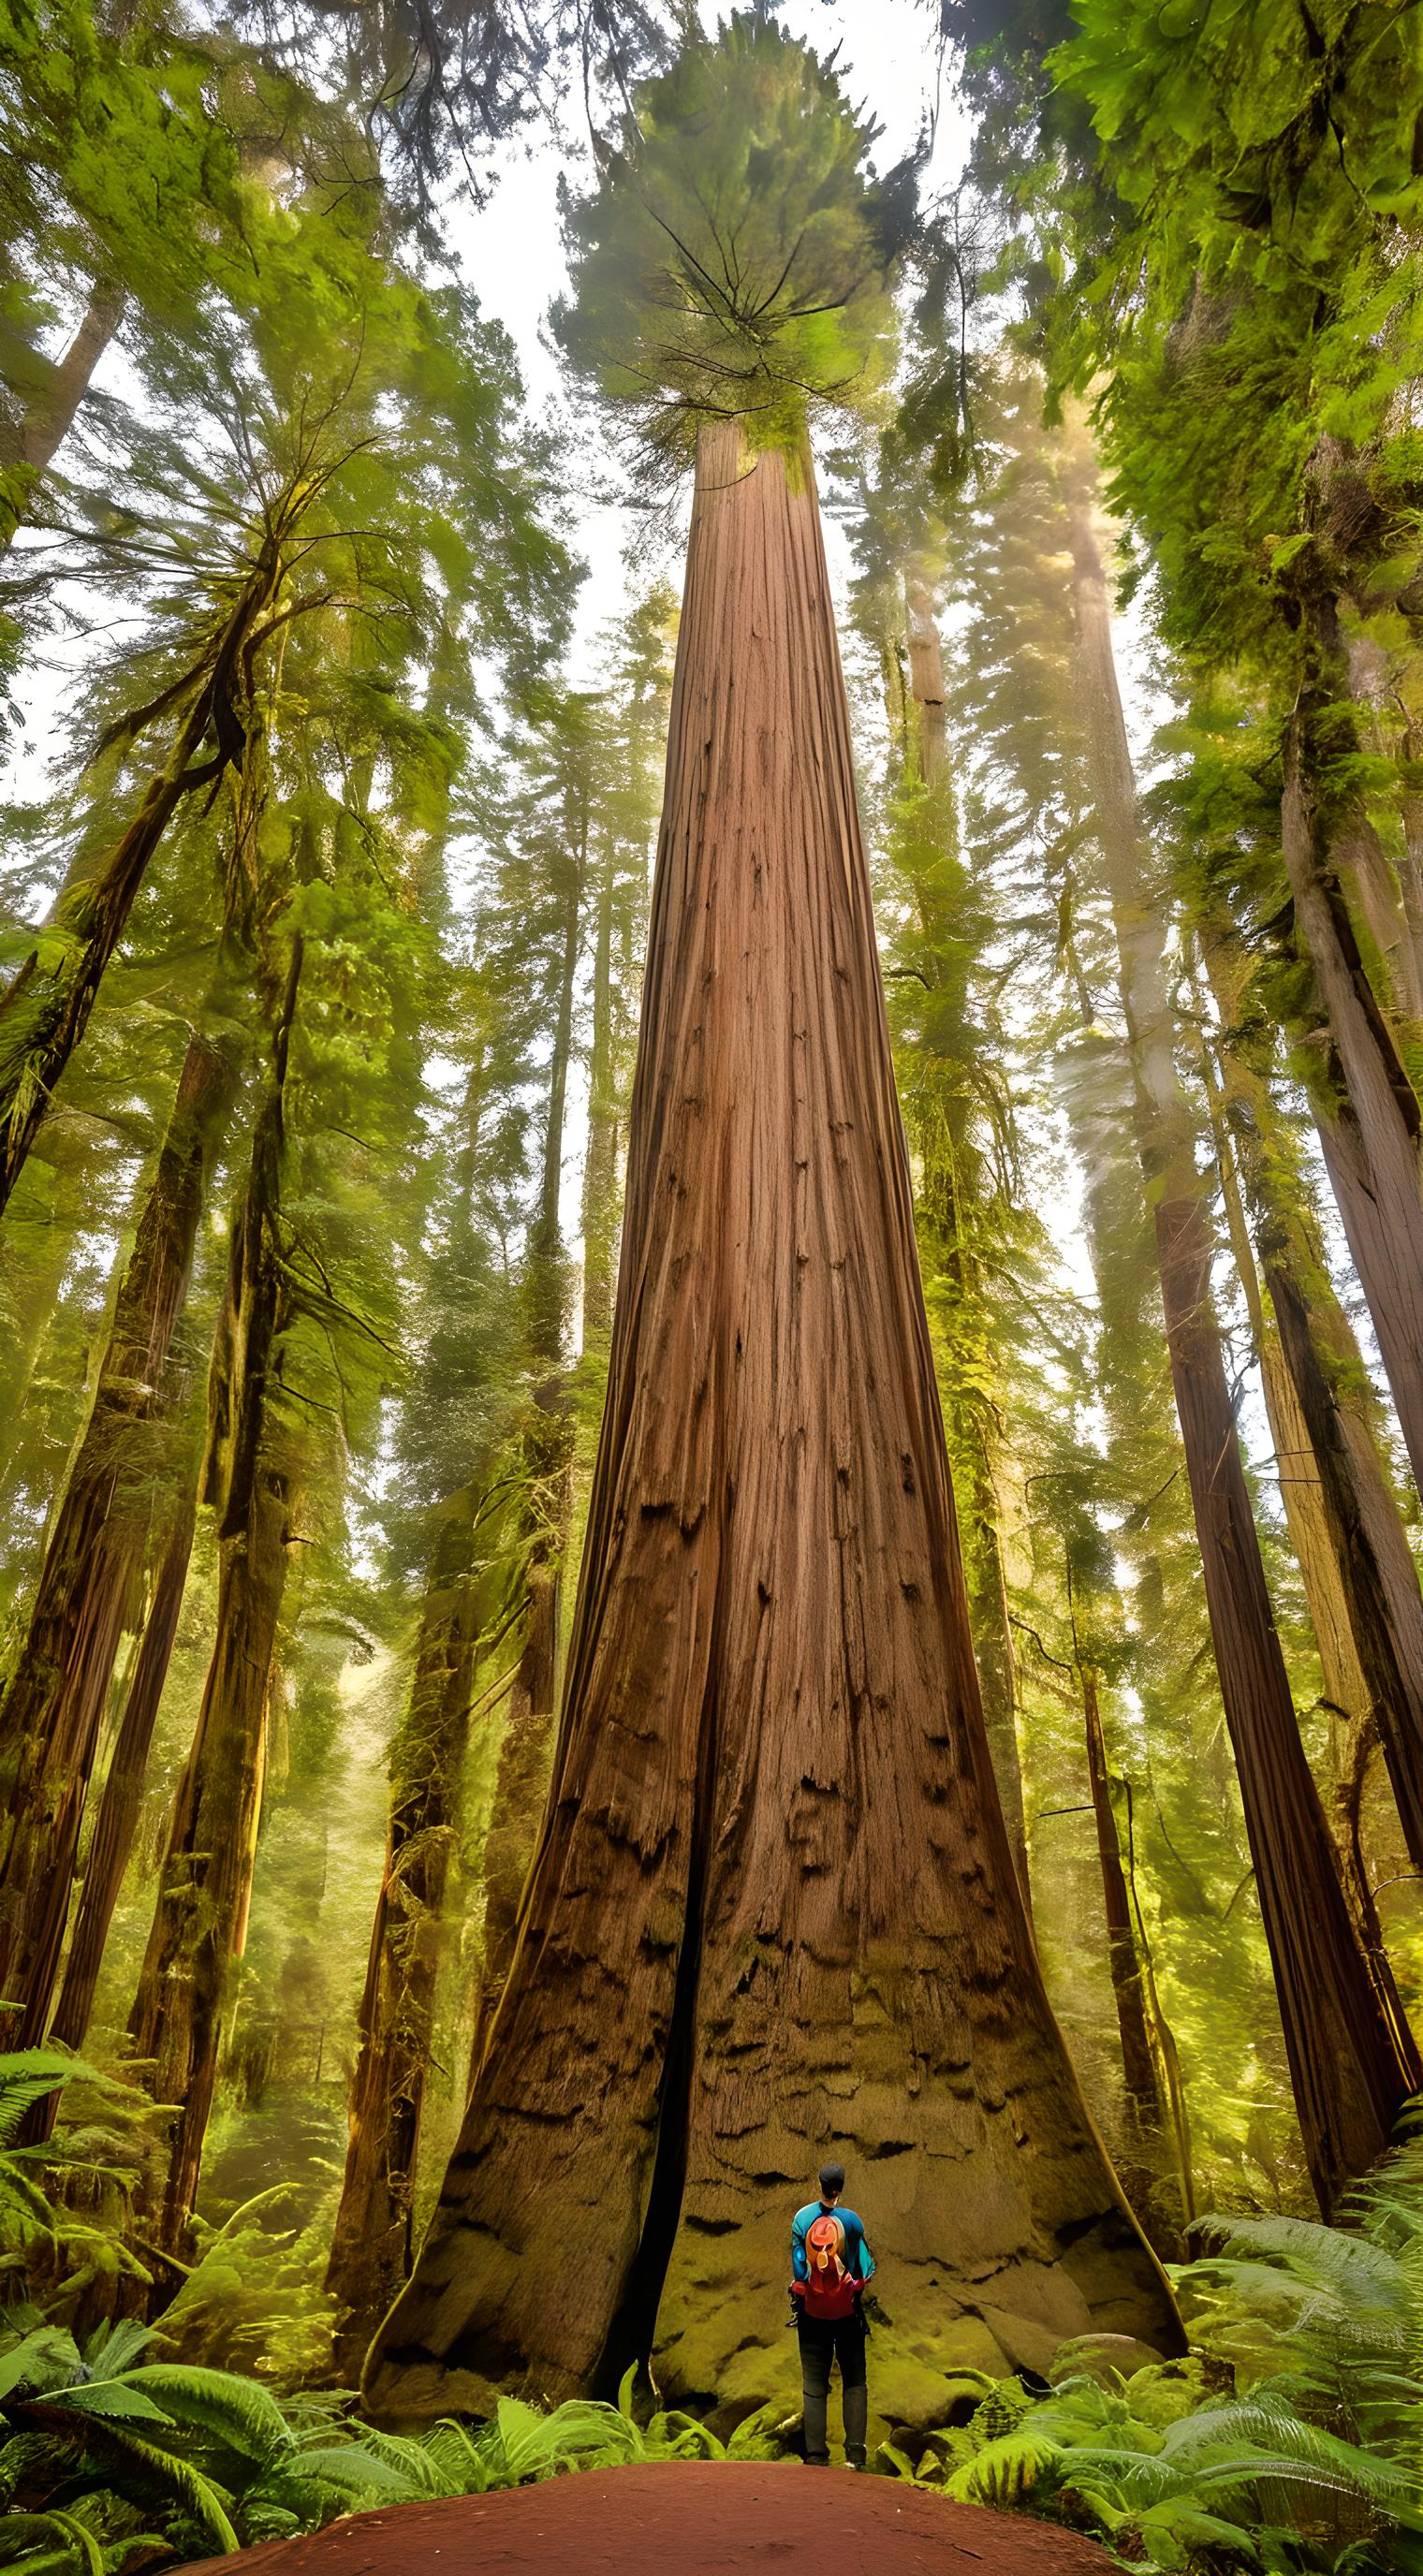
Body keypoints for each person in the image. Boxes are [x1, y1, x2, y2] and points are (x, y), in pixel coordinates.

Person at [788, 2160, 874, 2467]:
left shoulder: (802, 2219)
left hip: (812, 2314)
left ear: (820, 2184)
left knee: (814, 2383)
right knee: (854, 2380)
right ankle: (855, 2454)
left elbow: (799, 2268)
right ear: (841, 2187)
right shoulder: (851, 2222)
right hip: (847, 2314)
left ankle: (815, 2455)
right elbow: (865, 2270)